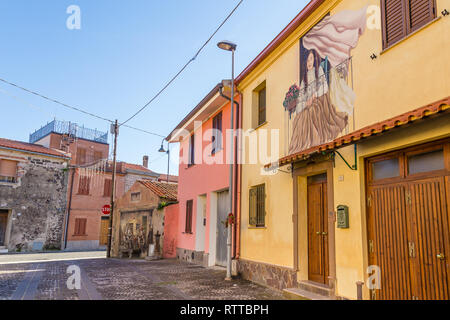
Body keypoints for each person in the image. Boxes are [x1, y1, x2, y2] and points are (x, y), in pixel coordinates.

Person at [289, 48, 348, 155]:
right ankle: (304, 145)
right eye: (307, 60)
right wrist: (305, 103)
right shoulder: (304, 80)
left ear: (314, 60)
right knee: (298, 118)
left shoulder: (319, 71)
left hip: (320, 100)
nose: (309, 62)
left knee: (312, 111)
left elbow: (324, 86)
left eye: (311, 59)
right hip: (309, 104)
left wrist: (314, 96)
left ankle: (314, 142)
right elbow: (300, 99)